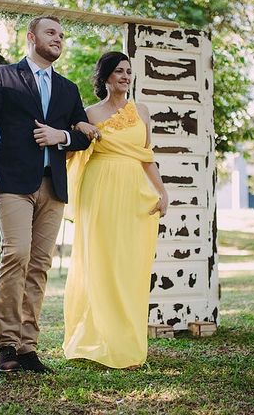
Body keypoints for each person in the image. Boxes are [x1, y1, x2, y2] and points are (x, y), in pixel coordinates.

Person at [0, 16, 92, 374]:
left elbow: (85, 133)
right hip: (11, 183)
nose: (58, 39)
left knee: (39, 265)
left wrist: (63, 137)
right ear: (31, 37)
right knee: (17, 255)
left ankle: (27, 348)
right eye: (51, 33)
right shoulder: (2, 77)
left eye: (61, 35)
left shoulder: (69, 90)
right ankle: (6, 345)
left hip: (52, 185)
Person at [63, 51, 168, 369]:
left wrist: (162, 191)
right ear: (106, 76)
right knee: (99, 262)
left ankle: (126, 342)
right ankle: (96, 339)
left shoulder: (143, 112)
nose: (126, 76)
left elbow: (146, 156)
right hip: (99, 191)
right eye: (119, 71)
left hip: (133, 191)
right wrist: (80, 126)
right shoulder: (89, 114)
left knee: (129, 263)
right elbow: (71, 149)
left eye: (129, 71)